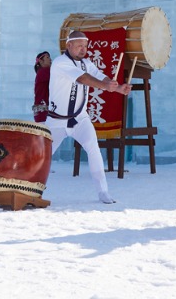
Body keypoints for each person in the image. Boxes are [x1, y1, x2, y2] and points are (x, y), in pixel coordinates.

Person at [43, 31, 131, 204]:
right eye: (79, 46)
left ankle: (103, 192)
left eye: (85, 46)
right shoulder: (60, 63)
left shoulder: (87, 63)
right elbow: (83, 79)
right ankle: (31, 187)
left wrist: (117, 87)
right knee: (43, 155)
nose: (83, 49)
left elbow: (99, 76)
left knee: (94, 149)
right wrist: (106, 86)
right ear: (68, 45)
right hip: (56, 120)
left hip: (80, 119)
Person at [31, 50, 52, 123]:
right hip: (43, 113)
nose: (50, 59)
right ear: (40, 61)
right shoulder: (43, 72)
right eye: (47, 57)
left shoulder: (42, 73)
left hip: (42, 112)